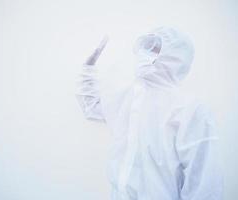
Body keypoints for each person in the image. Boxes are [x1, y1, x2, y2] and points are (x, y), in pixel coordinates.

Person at [75, 26, 223, 200]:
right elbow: (92, 108)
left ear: (176, 57)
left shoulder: (191, 109)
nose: (146, 53)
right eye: (146, 47)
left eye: (155, 48)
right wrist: (87, 70)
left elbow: (204, 183)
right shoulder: (130, 96)